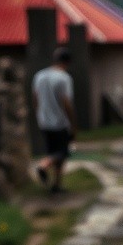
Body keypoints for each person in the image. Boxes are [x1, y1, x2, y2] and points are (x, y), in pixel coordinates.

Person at [31, 46, 76, 194]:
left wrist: (39, 114)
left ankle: (56, 185)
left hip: (44, 121)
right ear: (67, 62)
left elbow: (35, 98)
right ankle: (43, 166)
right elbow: (66, 103)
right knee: (61, 153)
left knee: (53, 152)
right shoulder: (64, 78)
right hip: (60, 122)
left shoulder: (39, 76)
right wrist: (73, 123)